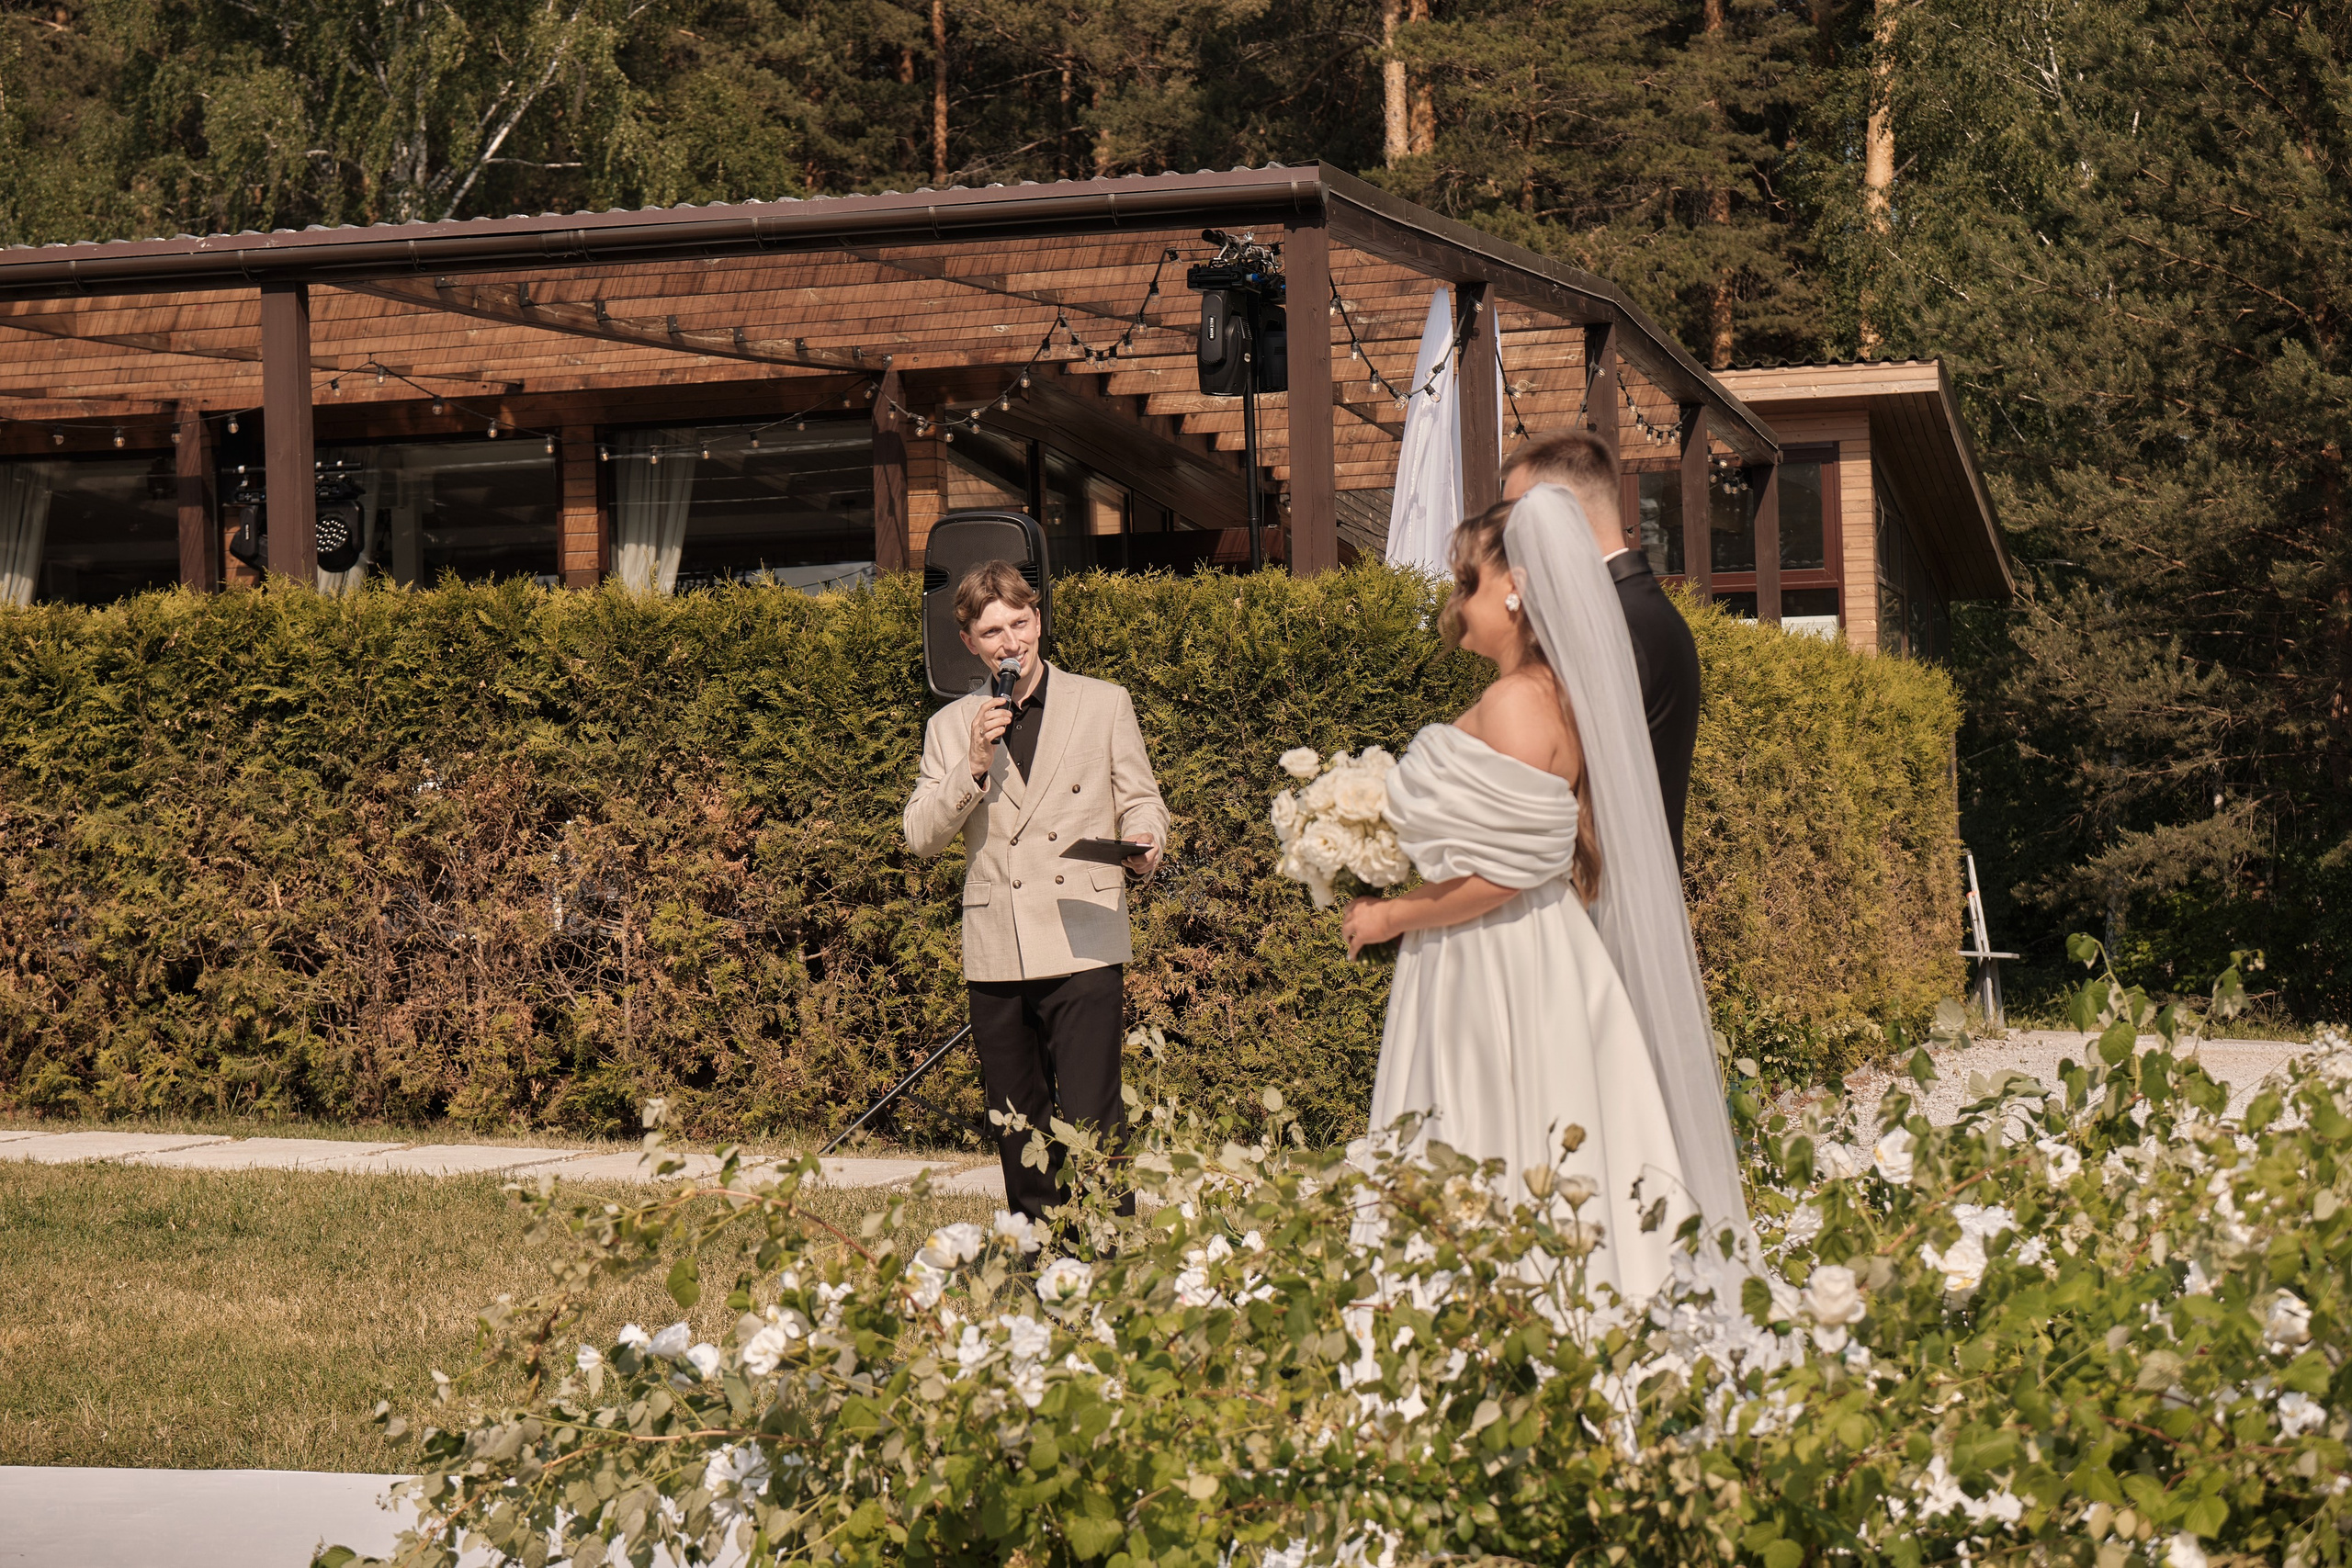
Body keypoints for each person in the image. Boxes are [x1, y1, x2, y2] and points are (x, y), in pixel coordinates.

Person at [1340, 491, 1747, 1296]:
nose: (1456, 605)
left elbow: (1507, 874)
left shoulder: (1519, 703)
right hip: (1523, 948)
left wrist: (1391, 913)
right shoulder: (1551, 694)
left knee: (1493, 1118)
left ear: (1516, 590)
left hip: (1498, 960)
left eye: (1468, 586)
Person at [903, 560, 1170, 1221]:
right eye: (992, 630)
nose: (1009, 641)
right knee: (1016, 1121)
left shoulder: (1103, 701)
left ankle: (1109, 1255)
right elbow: (921, 835)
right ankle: (1039, 1256)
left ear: (1039, 620)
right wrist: (970, 765)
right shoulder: (952, 726)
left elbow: (1143, 800)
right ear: (969, 642)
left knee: (1093, 1115)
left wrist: (1143, 841)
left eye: (1019, 622)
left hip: (1083, 933)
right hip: (997, 945)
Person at [1501, 433, 1702, 868]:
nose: (1507, 540)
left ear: (1563, 513)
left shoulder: (1615, 624)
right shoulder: (1645, 609)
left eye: (1516, 518)